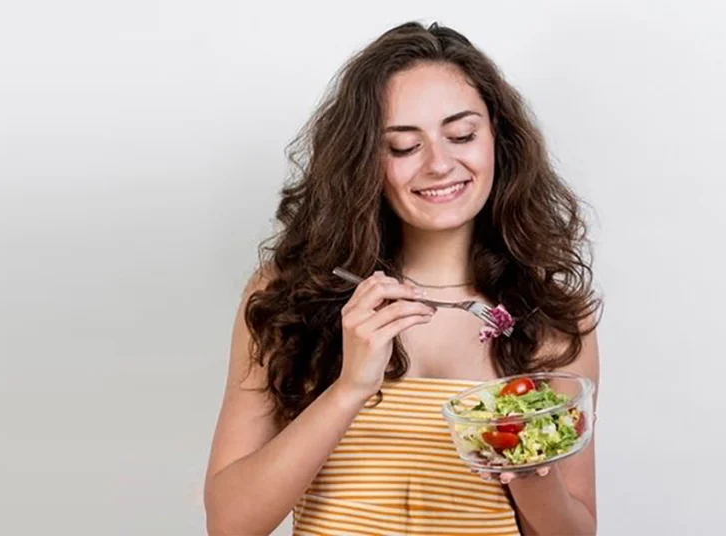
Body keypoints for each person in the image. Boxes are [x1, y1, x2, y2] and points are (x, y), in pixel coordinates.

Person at [203, 20, 602, 536]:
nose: (439, 164)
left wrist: (526, 464)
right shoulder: (286, 296)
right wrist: (350, 388)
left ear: (498, 141)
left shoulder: (553, 318)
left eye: (461, 135)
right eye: (402, 146)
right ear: (364, 160)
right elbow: (230, 524)